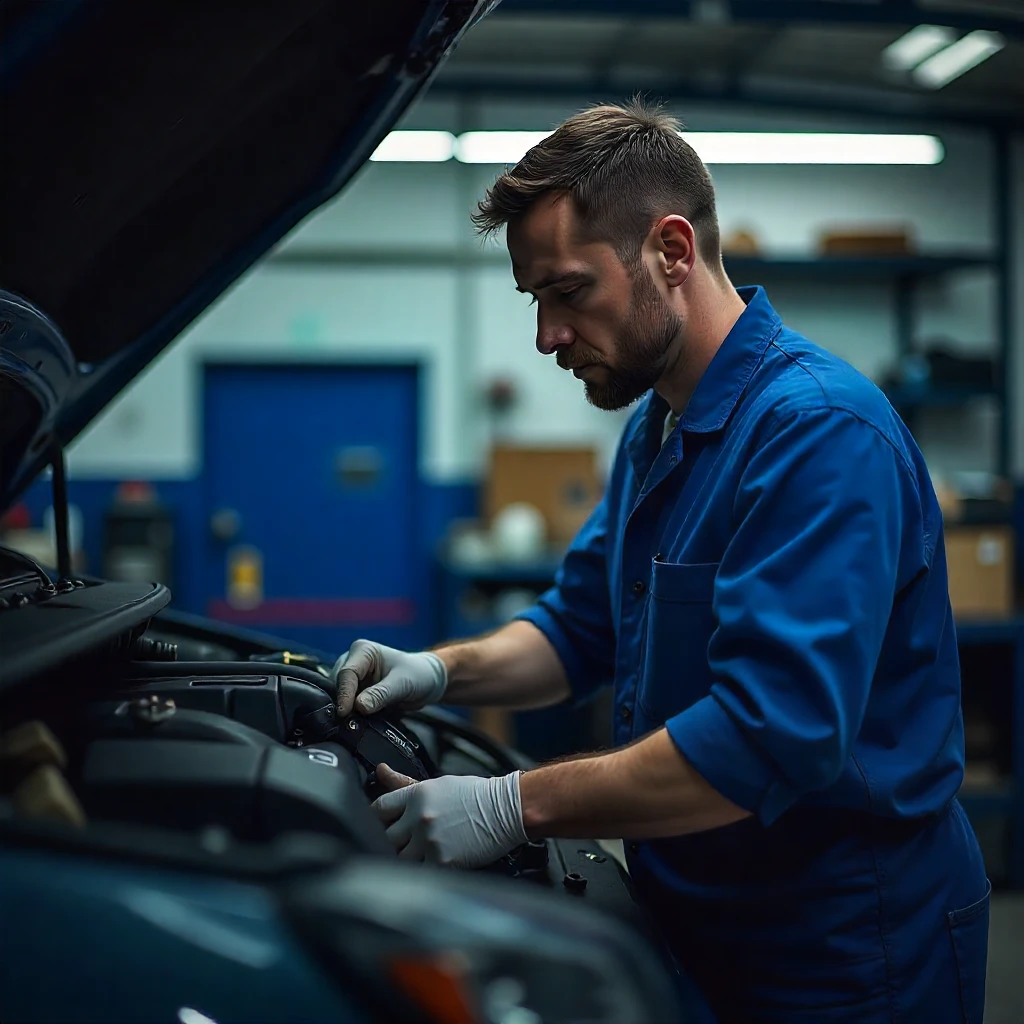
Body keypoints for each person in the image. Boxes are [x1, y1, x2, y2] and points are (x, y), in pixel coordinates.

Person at [332, 100, 989, 1023]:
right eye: (535, 302)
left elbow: (767, 737)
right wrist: (440, 671)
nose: (547, 336)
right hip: (697, 918)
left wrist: (510, 805)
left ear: (671, 253)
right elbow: (578, 630)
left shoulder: (817, 434)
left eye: (569, 292)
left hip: (843, 943)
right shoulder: (658, 429)